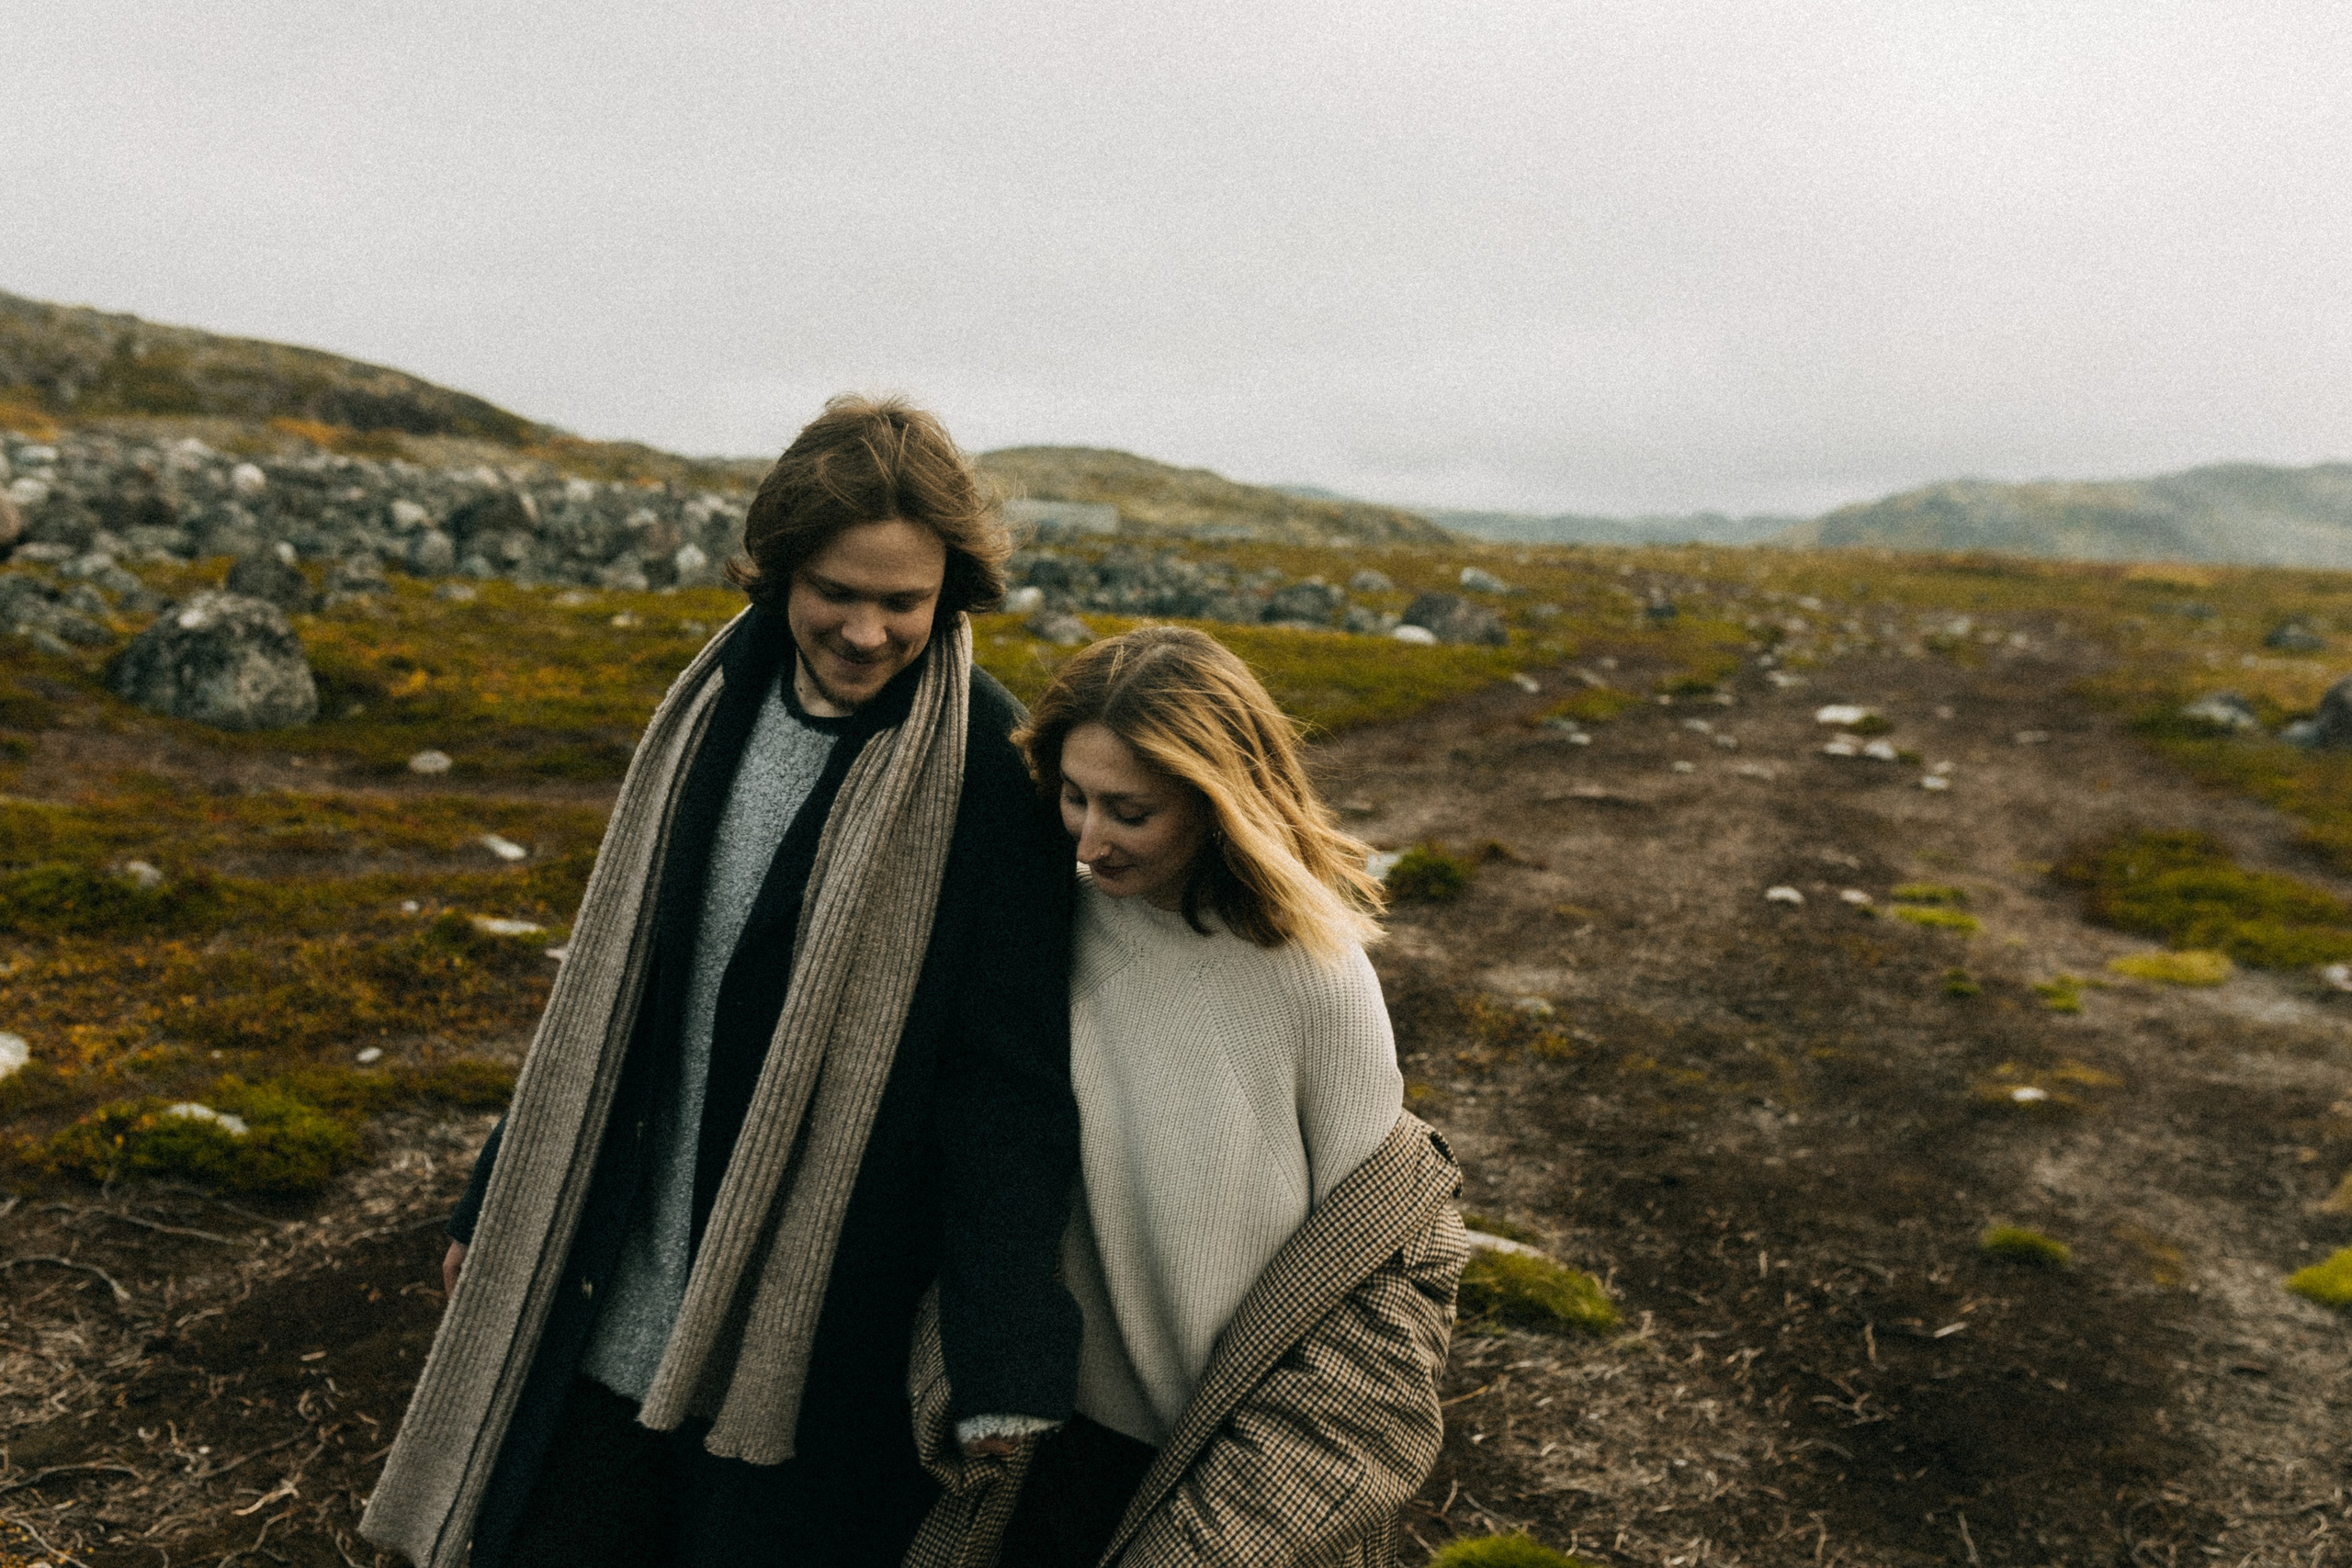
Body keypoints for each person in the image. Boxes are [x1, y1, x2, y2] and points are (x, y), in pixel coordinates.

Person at [362, 397, 1082, 1568]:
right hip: (615, 1280)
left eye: (901, 600)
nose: (864, 630)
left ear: (952, 592)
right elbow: (616, 1000)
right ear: (778, 571)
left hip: (808, 1327)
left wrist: (1003, 1362)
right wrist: (496, 1199)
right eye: (834, 592)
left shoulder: (986, 775)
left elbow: (1006, 1088)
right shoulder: (707, 714)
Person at [902, 625, 1467, 1568]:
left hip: (1231, 1467)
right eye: (1073, 798)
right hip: (1047, 1444)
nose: (1089, 840)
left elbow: (1380, 1263)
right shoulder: (1046, 919)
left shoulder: (1314, 978)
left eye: (1130, 812)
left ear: (1217, 802)